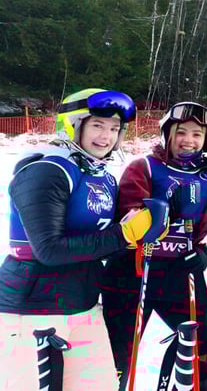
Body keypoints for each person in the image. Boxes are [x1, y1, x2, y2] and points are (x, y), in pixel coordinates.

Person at [0, 89, 165, 390]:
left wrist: (143, 232)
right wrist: (123, 233)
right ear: (74, 125)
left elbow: (106, 240)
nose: (106, 137)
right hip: (32, 310)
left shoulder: (102, 176)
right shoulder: (46, 171)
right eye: (97, 126)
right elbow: (49, 250)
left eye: (114, 129)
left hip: (84, 305)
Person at [101, 102, 207, 389]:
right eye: (181, 132)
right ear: (167, 134)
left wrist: (206, 249)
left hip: (180, 273)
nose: (188, 140)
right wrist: (156, 215)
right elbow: (128, 211)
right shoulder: (143, 166)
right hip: (133, 274)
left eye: (197, 134)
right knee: (118, 354)